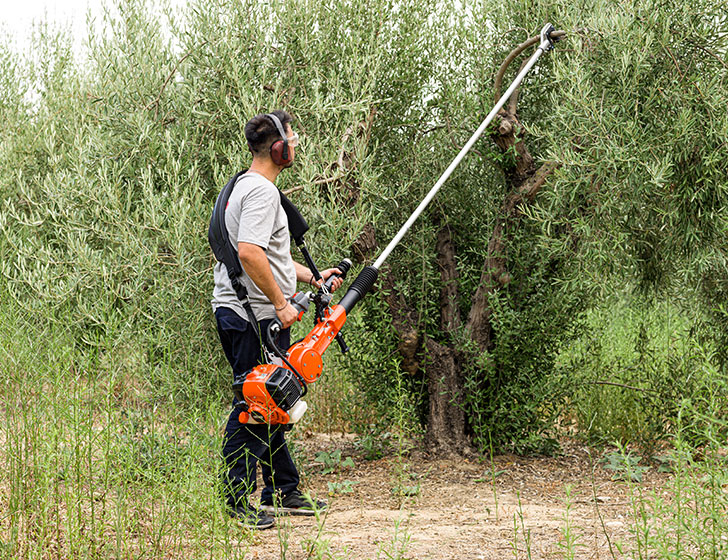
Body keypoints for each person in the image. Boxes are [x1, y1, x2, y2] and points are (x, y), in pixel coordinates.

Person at [211, 110, 343, 530]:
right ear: (278, 148)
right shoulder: (264, 193)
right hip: (255, 316)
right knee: (254, 403)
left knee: (272, 399)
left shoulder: (242, 186)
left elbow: (269, 256)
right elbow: (249, 253)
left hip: (243, 311)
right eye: (292, 140)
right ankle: (235, 499)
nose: (296, 147)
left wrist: (310, 277)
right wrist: (282, 305)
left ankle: (282, 490)